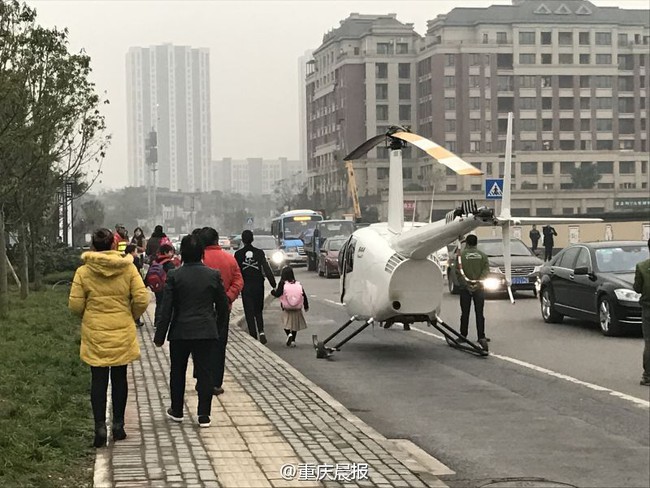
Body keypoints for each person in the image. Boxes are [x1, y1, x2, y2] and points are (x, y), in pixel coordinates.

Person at [68, 228, 150, 448]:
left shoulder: (83, 272)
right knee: (120, 377)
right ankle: (118, 426)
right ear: (114, 245)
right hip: (122, 328)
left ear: (93, 246)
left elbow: (75, 304)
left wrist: (89, 315)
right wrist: (130, 314)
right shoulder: (128, 268)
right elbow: (142, 298)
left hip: (95, 330)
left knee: (98, 380)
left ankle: (99, 428)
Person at [154, 234, 230, 427]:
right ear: (201, 253)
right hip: (206, 332)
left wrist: (160, 336)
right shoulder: (213, 275)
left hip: (180, 331)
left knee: (177, 371)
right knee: (205, 372)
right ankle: (204, 414)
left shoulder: (174, 275)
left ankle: (177, 410)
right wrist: (218, 329)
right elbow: (223, 306)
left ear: (183, 254)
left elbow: (166, 307)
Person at [200, 227, 243, 395]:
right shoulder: (230, 259)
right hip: (223, 310)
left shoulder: (199, 259)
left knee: (202, 347)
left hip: (202, 310)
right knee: (219, 346)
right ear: (217, 240)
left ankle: (203, 380)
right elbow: (238, 281)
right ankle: (216, 383)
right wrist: (227, 298)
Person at [234, 230, 277, 344]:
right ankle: (261, 331)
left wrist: (235, 288)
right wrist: (273, 284)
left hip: (246, 286)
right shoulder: (259, 253)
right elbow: (266, 268)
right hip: (258, 285)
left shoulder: (238, 254)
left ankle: (253, 334)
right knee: (258, 309)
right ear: (252, 239)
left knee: (249, 311)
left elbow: (236, 272)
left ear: (242, 240)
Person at [454, 234, 490, 351]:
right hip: (479, 288)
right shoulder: (483, 256)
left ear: (467, 243)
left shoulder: (461, 256)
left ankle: (463, 335)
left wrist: (466, 284)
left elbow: (458, 271)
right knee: (479, 313)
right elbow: (486, 270)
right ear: (476, 243)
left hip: (465, 289)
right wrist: (478, 283)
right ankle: (481, 336)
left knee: (465, 313)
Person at [271, 266, 309, 347]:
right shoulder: (298, 284)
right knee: (294, 325)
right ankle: (293, 341)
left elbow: (278, 294)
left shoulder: (282, 283)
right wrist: (306, 306)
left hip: (286, 308)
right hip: (297, 308)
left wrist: (272, 292)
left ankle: (289, 334)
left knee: (285, 323)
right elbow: (304, 295)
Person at [633, 239, 650, 387]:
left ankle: (648, 376)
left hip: (648, 309)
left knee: (649, 343)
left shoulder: (642, 267)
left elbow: (637, 288)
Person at [146, 244, 177, 320]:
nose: (172, 254)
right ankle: (162, 320)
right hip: (165, 286)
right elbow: (173, 275)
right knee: (165, 304)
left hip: (156, 286)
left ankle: (157, 320)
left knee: (159, 303)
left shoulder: (156, 261)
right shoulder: (169, 263)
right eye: (170, 252)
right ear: (166, 252)